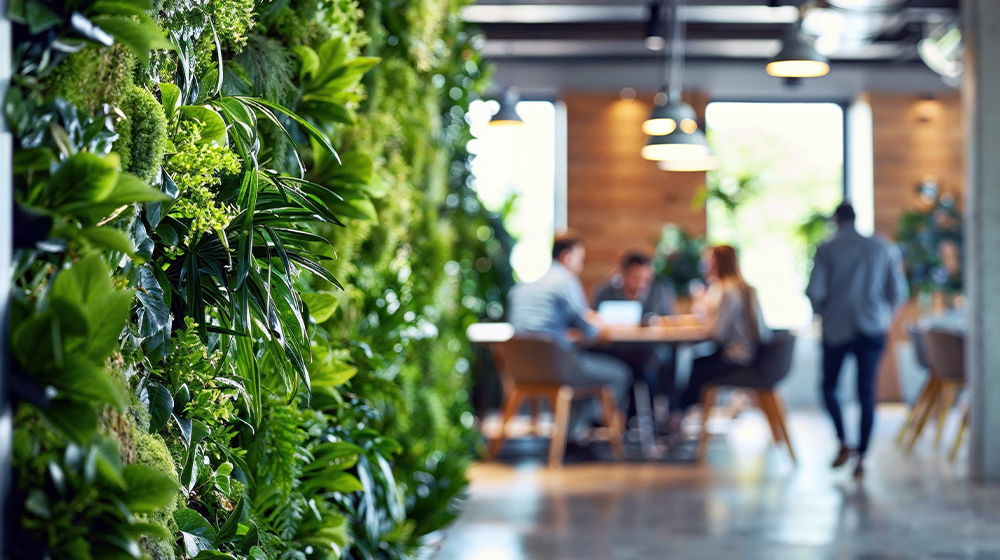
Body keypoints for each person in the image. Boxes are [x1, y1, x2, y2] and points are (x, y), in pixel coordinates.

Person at [807, 203, 908, 479]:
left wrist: (824, 314)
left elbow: (815, 292)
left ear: (836, 220)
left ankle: (843, 441)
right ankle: (861, 455)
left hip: (836, 329)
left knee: (829, 387)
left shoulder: (827, 249)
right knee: (866, 392)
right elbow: (898, 293)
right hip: (872, 328)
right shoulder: (882, 247)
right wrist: (883, 316)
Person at [507, 231, 632, 450]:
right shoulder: (564, 281)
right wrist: (598, 326)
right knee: (618, 374)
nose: (581, 265)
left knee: (583, 372)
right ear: (567, 256)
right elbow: (589, 330)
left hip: (522, 370)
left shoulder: (524, 286)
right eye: (580, 259)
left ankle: (571, 436)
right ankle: (579, 435)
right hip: (556, 367)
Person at [676, 245, 770, 418]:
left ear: (718, 263)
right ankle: (681, 415)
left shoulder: (726, 290)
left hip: (737, 355)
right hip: (751, 353)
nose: (704, 265)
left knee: (696, 366)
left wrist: (702, 308)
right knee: (697, 361)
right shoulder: (740, 286)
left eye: (707, 260)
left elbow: (716, 332)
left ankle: (679, 416)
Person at [591, 252, 677, 420]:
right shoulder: (606, 291)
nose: (642, 284)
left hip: (647, 350)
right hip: (614, 350)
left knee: (659, 362)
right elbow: (593, 319)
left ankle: (653, 419)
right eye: (636, 278)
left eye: (646, 279)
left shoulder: (659, 291)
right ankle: (606, 420)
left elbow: (667, 320)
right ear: (623, 275)